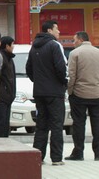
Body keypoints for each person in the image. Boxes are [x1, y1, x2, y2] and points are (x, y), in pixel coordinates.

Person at [26, 20, 68, 166]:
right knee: (56, 124)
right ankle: (56, 158)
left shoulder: (34, 47)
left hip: (39, 92)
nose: (59, 31)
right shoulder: (54, 45)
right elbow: (61, 68)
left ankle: (38, 157)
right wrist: (63, 82)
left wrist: (38, 81)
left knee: (41, 125)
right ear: (49, 30)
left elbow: (28, 69)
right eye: (57, 29)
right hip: (55, 92)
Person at [66, 30, 99, 161]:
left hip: (79, 94)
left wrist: (70, 91)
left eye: (74, 40)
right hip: (97, 94)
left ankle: (78, 152)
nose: (73, 43)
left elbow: (72, 75)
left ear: (80, 40)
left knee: (79, 124)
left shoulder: (74, 53)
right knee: (98, 124)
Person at [0, 35, 16, 137]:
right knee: (0, 123)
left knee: (5, 124)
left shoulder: (10, 59)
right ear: (7, 46)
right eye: (12, 44)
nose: (13, 46)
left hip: (8, 97)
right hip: (1, 97)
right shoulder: (1, 57)